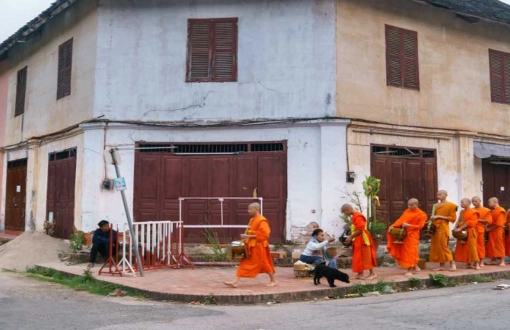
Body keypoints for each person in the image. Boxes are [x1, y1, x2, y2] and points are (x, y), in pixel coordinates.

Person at [224, 203, 276, 288]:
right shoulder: (252, 220)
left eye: (250, 209)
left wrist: (247, 236)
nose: (248, 211)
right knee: (244, 262)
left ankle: (273, 280)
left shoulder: (262, 220)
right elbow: (252, 233)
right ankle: (235, 281)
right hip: (251, 245)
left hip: (259, 246)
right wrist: (246, 239)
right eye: (248, 209)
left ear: (256, 209)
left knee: (264, 263)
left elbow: (265, 235)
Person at [387, 198, 427, 276]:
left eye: (411, 205)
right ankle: (415, 266)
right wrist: (393, 226)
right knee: (407, 252)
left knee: (411, 251)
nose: (409, 207)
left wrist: (409, 225)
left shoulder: (422, 214)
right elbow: (400, 220)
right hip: (404, 234)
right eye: (408, 205)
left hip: (413, 234)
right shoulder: (407, 211)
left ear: (416, 205)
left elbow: (420, 226)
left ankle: (410, 270)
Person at [341, 204, 377, 280]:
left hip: (363, 238)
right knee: (358, 255)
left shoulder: (358, 216)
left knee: (366, 255)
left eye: (345, 212)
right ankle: (360, 273)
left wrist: (351, 237)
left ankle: (372, 273)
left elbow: (360, 229)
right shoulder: (354, 216)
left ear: (348, 210)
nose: (345, 214)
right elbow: (355, 228)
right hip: (358, 238)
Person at [429, 190, 458, 271]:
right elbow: (433, 216)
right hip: (435, 227)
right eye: (437, 194)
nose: (438, 196)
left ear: (445, 195)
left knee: (443, 246)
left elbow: (453, 218)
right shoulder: (435, 205)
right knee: (437, 247)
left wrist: (439, 216)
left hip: (443, 227)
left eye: (440, 194)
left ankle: (453, 264)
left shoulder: (451, 205)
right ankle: (442, 265)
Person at [453, 198, 480, 270]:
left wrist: (460, 228)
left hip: (470, 232)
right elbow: (458, 220)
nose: (461, 204)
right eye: (461, 202)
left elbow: (470, 222)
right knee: (464, 248)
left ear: (468, 203)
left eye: (463, 202)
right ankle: (469, 263)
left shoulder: (474, 212)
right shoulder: (462, 212)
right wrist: (455, 228)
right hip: (462, 232)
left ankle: (477, 263)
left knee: (472, 248)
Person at [472, 196, 492, 267]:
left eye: (475, 201)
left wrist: (478, 220)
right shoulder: (472, 210)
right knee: (473, 246)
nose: (474, 203)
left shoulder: (486, 210)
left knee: (480, 245)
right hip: (472, 230)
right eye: (473, 201)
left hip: (480, 229)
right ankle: (475, 260)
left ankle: (482, 261)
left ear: (480, 201)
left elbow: (489, 220)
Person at [486, 197, 506, 266]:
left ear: (495, 202)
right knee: (491, 245)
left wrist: (489, 229)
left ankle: (502, 261)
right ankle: (493, 259)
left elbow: (499, 223)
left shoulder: (501, 210)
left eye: (489, 202)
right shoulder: (493, 211)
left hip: (498, 231)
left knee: (499, 245)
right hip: (492, 231)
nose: (488, 204)